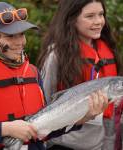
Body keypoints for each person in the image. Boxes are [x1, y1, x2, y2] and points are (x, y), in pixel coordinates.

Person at [0, 2, 108, 150]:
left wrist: (81, 118)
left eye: (22, 34)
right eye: (10, 36)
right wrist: (5, 129)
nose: (20, 42)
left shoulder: (33, 72)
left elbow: (44, 131)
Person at [37, 0, 123, 150]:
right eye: (89, 16)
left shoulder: (109, 49)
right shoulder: (56, 55)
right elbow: (42, 102)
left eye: (101, 14)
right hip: (64, 144)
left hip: (103, 143)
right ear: (71, 19)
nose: (98, 21)